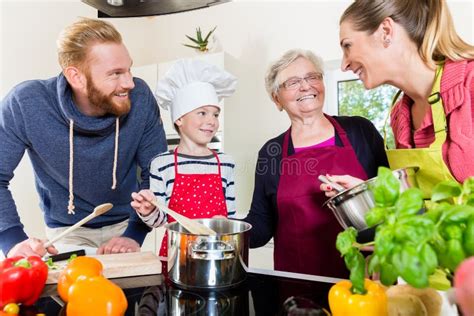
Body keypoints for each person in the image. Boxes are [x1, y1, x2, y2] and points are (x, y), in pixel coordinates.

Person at [0, 18, 167, 258]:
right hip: (66, 232)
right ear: (75, 76)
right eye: (115, 73)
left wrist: (134, 232)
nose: (130, 82)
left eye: (129, 69)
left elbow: (158, 172)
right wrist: (13, 240)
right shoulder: (25, 103)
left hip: (129, 224)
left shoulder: (140, 97)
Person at [242, 49, 388, 278]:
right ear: (276, 98)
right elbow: (261, 226)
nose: (306, 86)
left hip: (363, 283)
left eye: (312, 77)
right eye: (293, 82)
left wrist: (364, 194)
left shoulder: (360, 131)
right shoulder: (271, 154)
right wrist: (226, 231)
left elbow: (394, 199)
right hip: (298, 288)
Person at [324, 0, 474, 197]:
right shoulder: (400, 117)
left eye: (348, 46)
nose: (344, 65)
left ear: (385, 31)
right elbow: (420, 202)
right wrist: (369, 193)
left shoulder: (469, 85)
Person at [130, 59, 237, 263]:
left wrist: (224, 224)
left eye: (215, 114)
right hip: (176, 254)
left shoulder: (226, 163)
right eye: (202, 113)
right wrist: (148, 211)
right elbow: (160, 220)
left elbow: (229, 218)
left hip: (217, 252)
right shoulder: (162, 164)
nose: (212, 121)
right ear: (179, 118)